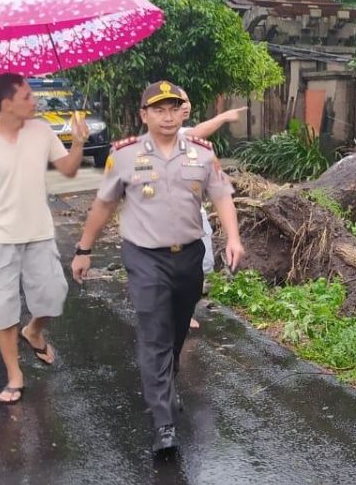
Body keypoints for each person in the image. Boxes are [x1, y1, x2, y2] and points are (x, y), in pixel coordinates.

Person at [71, 81, 244, 454]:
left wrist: (232, 237)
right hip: (144, 256)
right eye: (158, 109)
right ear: (144, 115)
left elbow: (221, 196)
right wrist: (84, 248)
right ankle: (163, 423)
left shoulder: (202, 154)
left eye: (173, 108)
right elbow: (103, 206)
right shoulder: (125, 156)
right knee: (154, 334)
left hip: (189, 257)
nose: (167, 116)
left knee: (178, 328)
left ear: (183, 112)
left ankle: (168, 379)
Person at [0, 73, 89, 405]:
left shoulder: (41, 131)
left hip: (39, 233)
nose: (36, 101)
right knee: (2, 309)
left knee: (53, 295)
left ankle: (34, 331)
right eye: (28, 96)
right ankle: (15, 375)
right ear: (6, 103)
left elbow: (70, 170)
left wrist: (78, 142)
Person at [176, 96, 246, 329]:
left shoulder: (194, 142)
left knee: (203, 263)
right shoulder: (174, 135)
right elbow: (195, 132)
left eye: (186, 101)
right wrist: (224, 116)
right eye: (179, 102)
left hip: (195, 212)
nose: (185, 105)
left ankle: (182, 310)